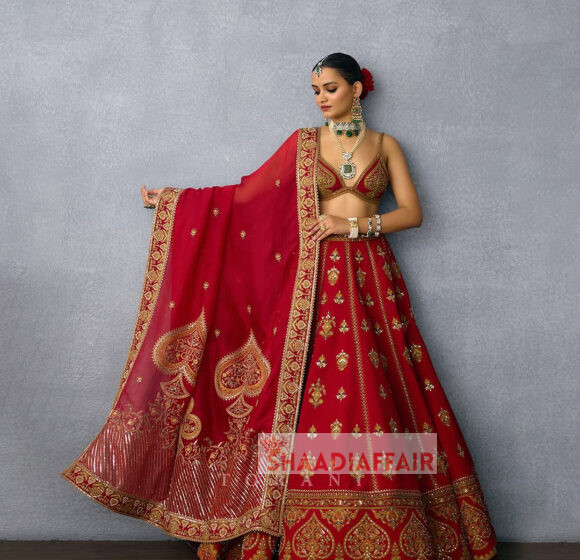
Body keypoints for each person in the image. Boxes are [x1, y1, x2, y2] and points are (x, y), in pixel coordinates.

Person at [62, 53, 498, 560]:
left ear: (357, 89)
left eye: (331, 88)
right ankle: (290, 521)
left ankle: (398, 516)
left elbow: (413, 213)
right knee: (304, 392)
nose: (321, 99)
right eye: (315, 91)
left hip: (371, 276)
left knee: (385, 383)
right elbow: (249, 196)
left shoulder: (385, 145)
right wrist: (177, 201)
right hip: (312, 279)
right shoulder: (303, 145)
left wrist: (355, 226)